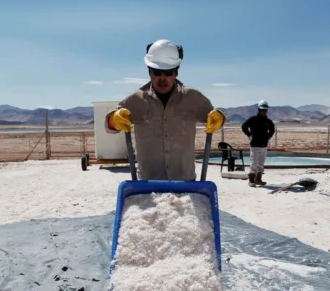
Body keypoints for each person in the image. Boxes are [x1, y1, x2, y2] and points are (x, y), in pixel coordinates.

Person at [104, 39, 226, 181]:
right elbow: (109, 127)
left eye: (168, 73)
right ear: (149, 72)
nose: (162, 78)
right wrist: (114, 119)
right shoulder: (136, 99)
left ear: (176, 72)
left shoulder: (193, 98)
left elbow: (215, 118)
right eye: (157, 72)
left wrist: (220, 118)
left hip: (185, 182)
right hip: (148, 184)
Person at [241, 100, 275, 187]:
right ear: (259, 109)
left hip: (264, 145)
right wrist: (249, 134)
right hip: (255, 145)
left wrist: (267, 137)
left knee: (261, 163)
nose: (264, 112)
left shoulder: (268, 121)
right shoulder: (253, 119)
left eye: (265, 110)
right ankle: (251, 180)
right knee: (254, 163)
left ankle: (258, 179)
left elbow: (272, 130)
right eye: (262, 110)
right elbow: (244, 126)